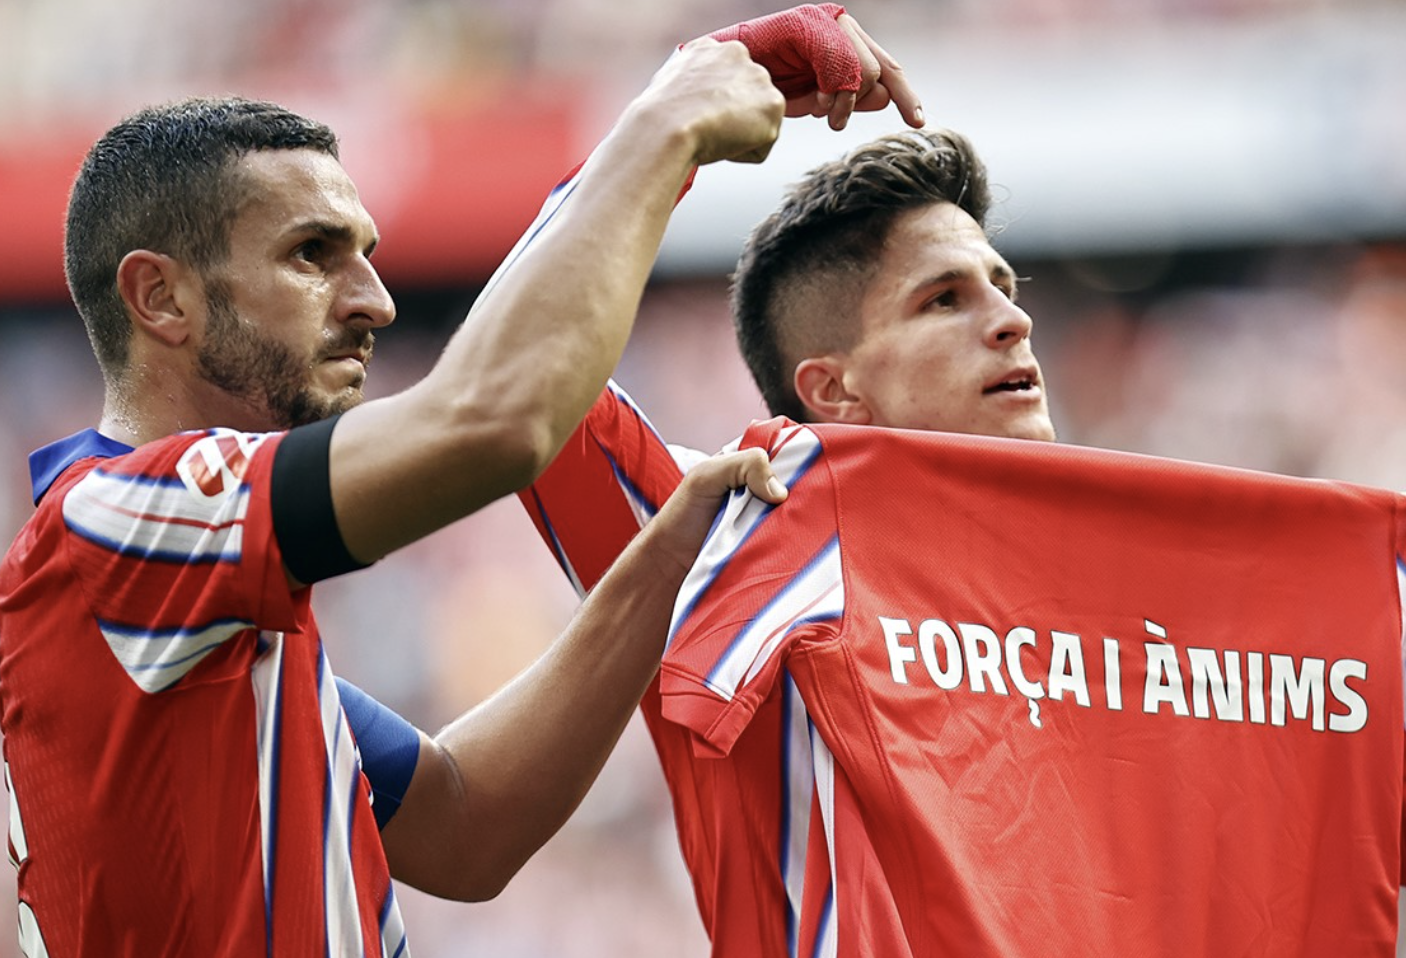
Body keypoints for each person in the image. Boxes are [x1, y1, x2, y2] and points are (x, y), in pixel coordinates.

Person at [0, 7, 924, 955]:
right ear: (160, 297)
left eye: (365, 254)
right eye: (312, 255)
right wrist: (666, 122)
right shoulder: (112, 527)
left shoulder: (187, 599)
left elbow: (466, 825)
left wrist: (665, 559)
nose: (376, 302)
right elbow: (496, 419)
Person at [518, 131, 1405, 954]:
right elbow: (527, 368)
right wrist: (677, 124)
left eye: (1004, 288)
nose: (1011, 320)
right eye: (944, 299)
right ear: (833, 391)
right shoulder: (746, 531)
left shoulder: (1247, 579)